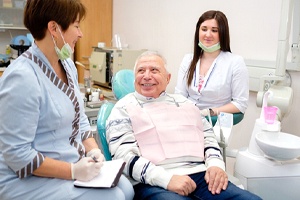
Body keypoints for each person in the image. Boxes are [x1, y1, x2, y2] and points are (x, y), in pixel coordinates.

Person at [0, 1, 134, 200]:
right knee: (114, 196)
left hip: (67, 164)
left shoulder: (68, 65)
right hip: (25, 177)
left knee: (127, 187)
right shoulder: (22, 77)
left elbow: (79, 120)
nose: (80, 34)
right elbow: (17, 156)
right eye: (76, 26)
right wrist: (72, 171)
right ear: (54, 28)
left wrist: (94, 151)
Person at [106, 51, 261, 200]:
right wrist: (166, 179)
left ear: (168, 78)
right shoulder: (123, 108)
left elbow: (208, 139)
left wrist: (216, 165)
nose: (147, 76)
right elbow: (124, 157)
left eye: (154, 70)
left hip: (201, 175)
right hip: (152, 180)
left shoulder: (186, 104)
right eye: (141, 71)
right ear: (135, 78)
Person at [175, 10, 249, 117]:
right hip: (187, 118)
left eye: (214, 30)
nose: (208, 34)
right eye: (204, 29)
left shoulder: (235, 62)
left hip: (215, 122)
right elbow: (179, 95)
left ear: (222, 33)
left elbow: (240, 104)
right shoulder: (188, 59)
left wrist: (209, 112)